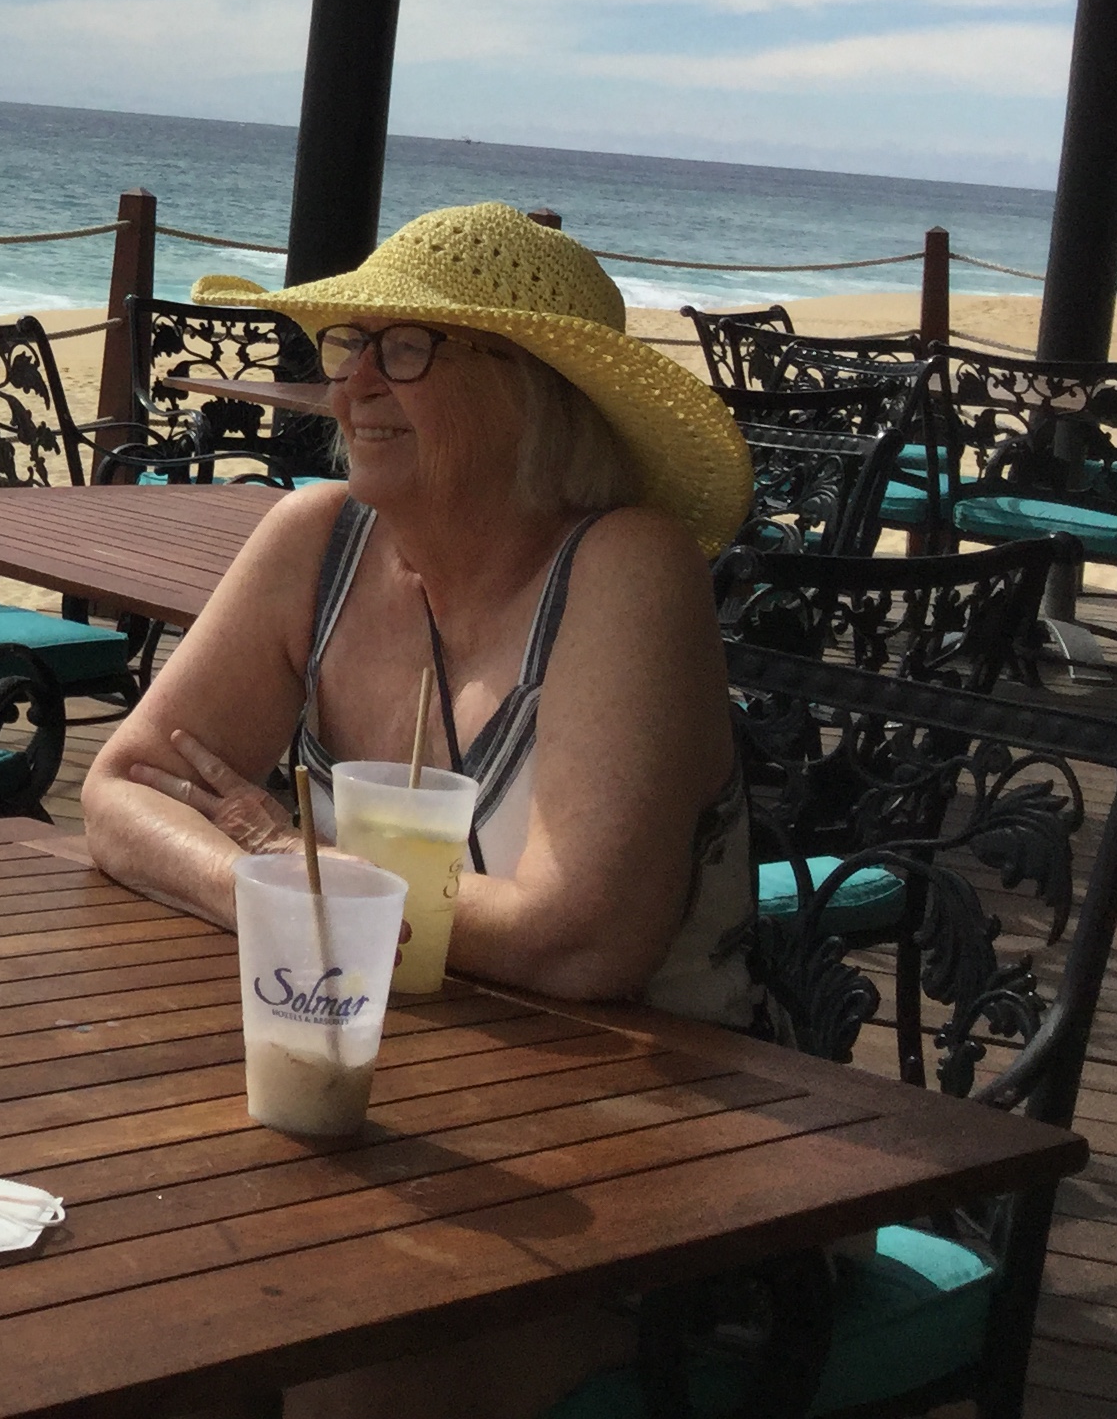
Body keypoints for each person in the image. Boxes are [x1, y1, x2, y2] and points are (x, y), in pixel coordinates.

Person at [82, 203, 757, 1419]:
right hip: (395, 1106)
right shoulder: (317, 540)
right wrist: (274, 890)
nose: (349, 388)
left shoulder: (627, 566)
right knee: (116, 1283)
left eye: (405, 349)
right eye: (350, 345)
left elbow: (582, 938)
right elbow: (124, 789)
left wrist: (297, 861)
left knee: (329, 1357)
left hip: (649, 1167)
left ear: (536, 390)